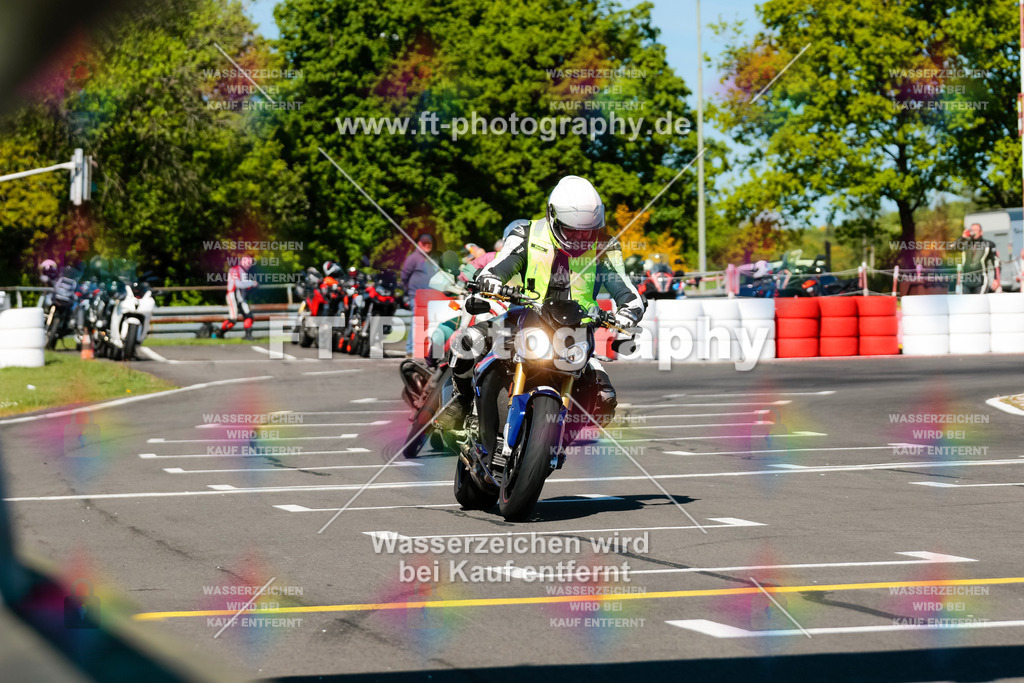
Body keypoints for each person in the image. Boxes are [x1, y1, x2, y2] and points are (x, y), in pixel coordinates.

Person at [436, 175, 645, 430]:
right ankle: (461, 401)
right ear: (553, 217)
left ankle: (560, 437)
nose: (580, 237)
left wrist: (629, 311)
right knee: (466, 342)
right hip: (523, 317)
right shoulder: (526, 234)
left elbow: (624, 286)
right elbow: (500, 265)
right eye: (572, 230)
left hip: (576, 330)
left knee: (604, 399)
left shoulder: (605, 245)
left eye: (588, 230)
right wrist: (490, 280)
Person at [400, 233, 439, 355]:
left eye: (429, 243)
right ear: (419, 243)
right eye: (424, 243)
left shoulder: (434, 258)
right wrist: (411, 290)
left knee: (428, 322)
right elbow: (404, 276)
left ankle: (424, 349)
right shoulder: (413, 258)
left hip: (431, 297)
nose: (427, 245)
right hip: (416, 296)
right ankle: (411, 349)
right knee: (417, 321)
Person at [216, 255, 258, 340]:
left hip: (241, 298)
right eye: (249, 263)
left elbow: (244, 285)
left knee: (249, 316)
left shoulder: (243, 271)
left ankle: (248, 336)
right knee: (232, 320)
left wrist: (250, 285)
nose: (250, 265)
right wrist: (252, 283)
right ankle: (220, 332)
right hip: (233, 297)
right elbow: (239, 284)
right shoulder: (235, 270)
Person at [960, 223, 1001, 294]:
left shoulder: (988, 244)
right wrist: (962, 237)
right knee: (965, 300)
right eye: (972, 230)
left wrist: (996, 279)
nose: (973, 231)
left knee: (979, 300)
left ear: (981, 232)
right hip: (966, 280)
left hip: (981, 280)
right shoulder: (965, 244)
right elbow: (952, 247)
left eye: (976, 230)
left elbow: (996, 263)